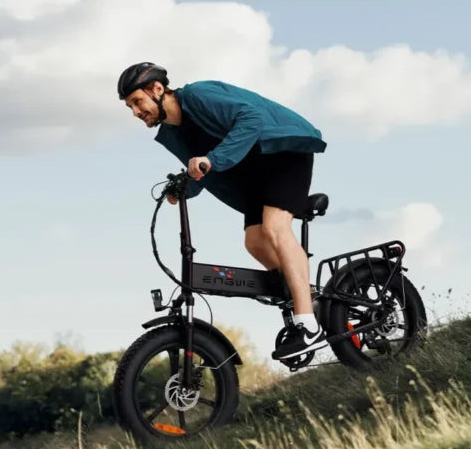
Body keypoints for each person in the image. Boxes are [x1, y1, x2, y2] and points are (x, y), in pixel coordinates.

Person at [117, 61, 329, 361]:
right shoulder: (173, 134)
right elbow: (202, 170)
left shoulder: (199, 95)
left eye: (137, 102)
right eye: (131, 108)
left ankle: (308, 325)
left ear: (157, 89)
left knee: (274, 228)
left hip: (283, 151)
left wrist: (211, 160)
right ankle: (309, 297)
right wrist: (183, 189)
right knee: (254, 242)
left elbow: (251, 119)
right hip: (255, 170)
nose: (137, 112)